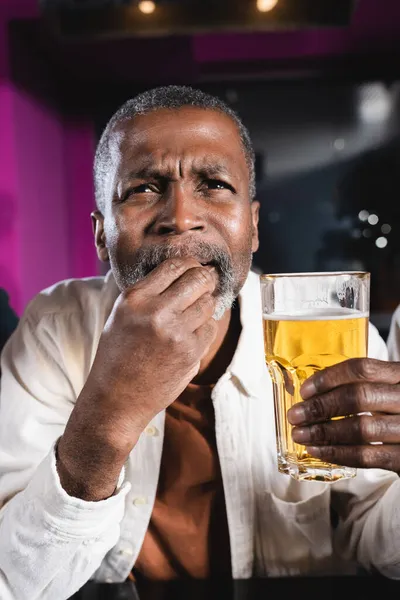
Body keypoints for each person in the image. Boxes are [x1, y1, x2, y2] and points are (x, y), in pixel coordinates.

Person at [1, 85, 400, 600]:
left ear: (252, 226)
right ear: (101, 235)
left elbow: (377, 539)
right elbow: (13, 579)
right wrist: (108, 417)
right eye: (144, 188)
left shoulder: (326, 332)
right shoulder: (56, 329)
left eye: (213, 184)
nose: (181, 217)